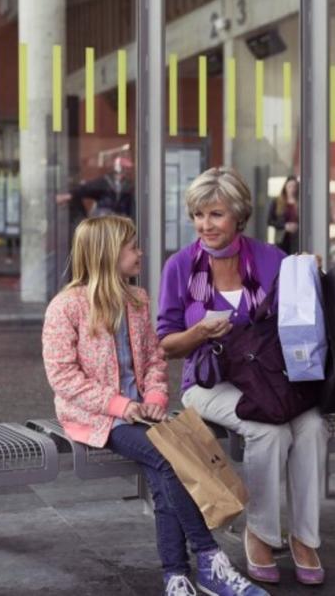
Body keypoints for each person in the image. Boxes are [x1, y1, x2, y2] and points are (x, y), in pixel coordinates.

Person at [42, 215, 269, 596]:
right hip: (97, 417)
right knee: (168, 458)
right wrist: (120, 405)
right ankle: (210, 559)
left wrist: (154, 398)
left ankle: (177, 576)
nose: (140, 253)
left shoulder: (137, 300)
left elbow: (154, 361)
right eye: (132, 247)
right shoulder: (66, 307)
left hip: (141, 413)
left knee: (164, 473)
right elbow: (63, 378)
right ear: (107, 253)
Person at [157, 167, 328, 587]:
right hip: (207, 383)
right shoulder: (180, 266)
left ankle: (305, 538)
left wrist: (310, 274)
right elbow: (166, 343)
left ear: (238, 216)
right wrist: (199, 332)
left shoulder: (272, 258)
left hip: (271, 378)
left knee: (312, 426)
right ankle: (262, 534)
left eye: (214, 214)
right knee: (268, 431)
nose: (204, 225)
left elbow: (301, 314)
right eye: (198, 215)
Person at [56, 156, 134, 219]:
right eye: (125, 169)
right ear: (118, 168)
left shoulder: (128, 184)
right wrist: (69, 195)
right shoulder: (105, 181)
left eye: (128, 169)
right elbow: (86, 189)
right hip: (104, 216)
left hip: (121, 218)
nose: (127, 172)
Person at [266, 176, 299, 255]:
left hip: (297, 239)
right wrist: (285, 226)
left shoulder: (300, 202)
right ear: (285, 187)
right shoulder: (277, 202)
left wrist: (297, 226)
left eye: (294, 186)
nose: (292, 189)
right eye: (290, 186)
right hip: (282, 239)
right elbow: (269, 221)